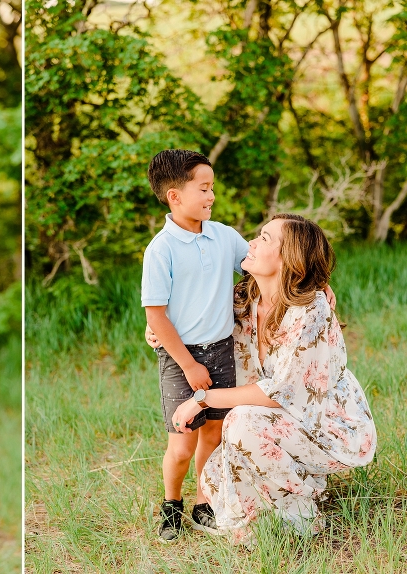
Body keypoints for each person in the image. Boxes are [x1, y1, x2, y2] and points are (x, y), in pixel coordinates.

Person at [169, 214, 376, 546]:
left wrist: (202, 399)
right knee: (222, 468)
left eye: (265, 238)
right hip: (279, 416)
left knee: (241, 421)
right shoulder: (244, 298)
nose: (250, 242)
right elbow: (191, 315)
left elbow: (281, 393)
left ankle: (302, 513)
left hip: (325, 423)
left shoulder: (311, 311)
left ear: (289, 258)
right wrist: (159, 328)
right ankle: (268, 514)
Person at [142, 149, 249, 541]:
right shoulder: (161, 250)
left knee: (214, 436)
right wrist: (188, 366)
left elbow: (262, 263)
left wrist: (317, 281)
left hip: (222, 349)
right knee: (183, 444)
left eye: (212, 188)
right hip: (181, 357)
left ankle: (205, 501)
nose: (211, 196)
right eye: (203, 188)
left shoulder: (223, 235)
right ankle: (172, 505)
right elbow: (156, 317)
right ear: (175, 196)